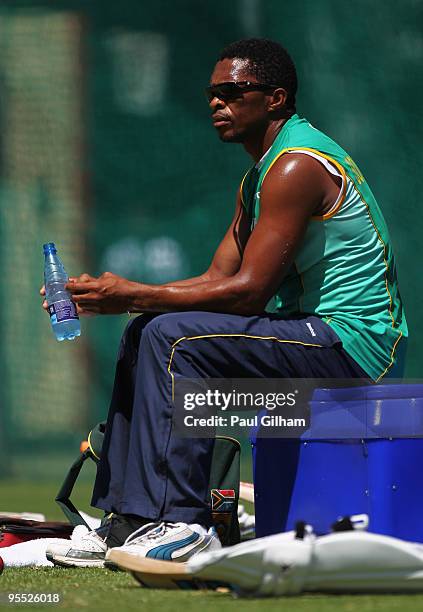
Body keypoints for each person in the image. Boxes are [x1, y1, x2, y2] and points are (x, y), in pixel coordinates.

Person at [43, 38, 407, 567]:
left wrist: (130, 294)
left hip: (355, 346)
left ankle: (185, 525)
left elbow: (249, 292)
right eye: (213, 93)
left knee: (174, 338)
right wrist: (112, 299)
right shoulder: (257, 176)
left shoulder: (296, 167)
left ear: (276, 98)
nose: (217, 103)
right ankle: (127, 523)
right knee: (146, 329)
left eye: (233, 92)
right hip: (310, 331)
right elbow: (219, 276)